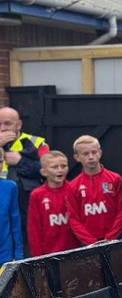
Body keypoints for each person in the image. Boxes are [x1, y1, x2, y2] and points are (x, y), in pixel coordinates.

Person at [66, 135, 122, 246]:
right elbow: (73, 219)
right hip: (88, 244)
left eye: (94, 152)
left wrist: (111, 237)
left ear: (100, 153)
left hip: (115, 239)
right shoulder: (73, 186)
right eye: (85, 154)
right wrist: (91, 242)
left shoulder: (115, 179)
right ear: (77, 157)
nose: (91, 157)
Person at [0, 106, 50, 236]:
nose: (3, 128)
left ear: (19, 125)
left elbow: (48, 172)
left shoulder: (37, 142)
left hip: (27, 203)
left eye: (8, 124)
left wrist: (21, 162)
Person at [27, 151, 77, 256]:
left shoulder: (74, 189)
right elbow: (34, 230)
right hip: (49, 254)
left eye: (63, 166)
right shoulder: (37, 195)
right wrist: (38, 258)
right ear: (44, 172)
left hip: (75, 251)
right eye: (54, 167)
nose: (60, 170)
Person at [0, 175, 23, 265]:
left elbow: (15, 223)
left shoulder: (10, 187)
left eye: (1, 161)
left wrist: (18, 255)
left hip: (5, 255)